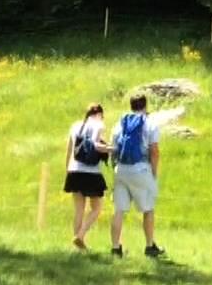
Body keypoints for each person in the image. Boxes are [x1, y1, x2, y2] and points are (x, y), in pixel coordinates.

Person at [107, 93, 165, 259]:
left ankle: (116, 248)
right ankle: (149, 246)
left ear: (131, 105)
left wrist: (115, 167)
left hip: (121, 170)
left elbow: (114, 147)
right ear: (145, 106)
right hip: (140, 169)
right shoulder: (150, 123)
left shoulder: (120, 124)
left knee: (119, 210)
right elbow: (154, 151)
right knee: (148, 209)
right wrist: (153, 172)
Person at [64, 102, 109, 251]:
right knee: (96, 208)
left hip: (74, 171)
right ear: (99, 114)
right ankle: (80, 236)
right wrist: (112, 149)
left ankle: (78, 247)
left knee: (79, 210)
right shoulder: (99, 125)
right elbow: (97, 146)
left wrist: (68, 169)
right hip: (91, 172)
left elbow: (69, 149)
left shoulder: (75, 126)